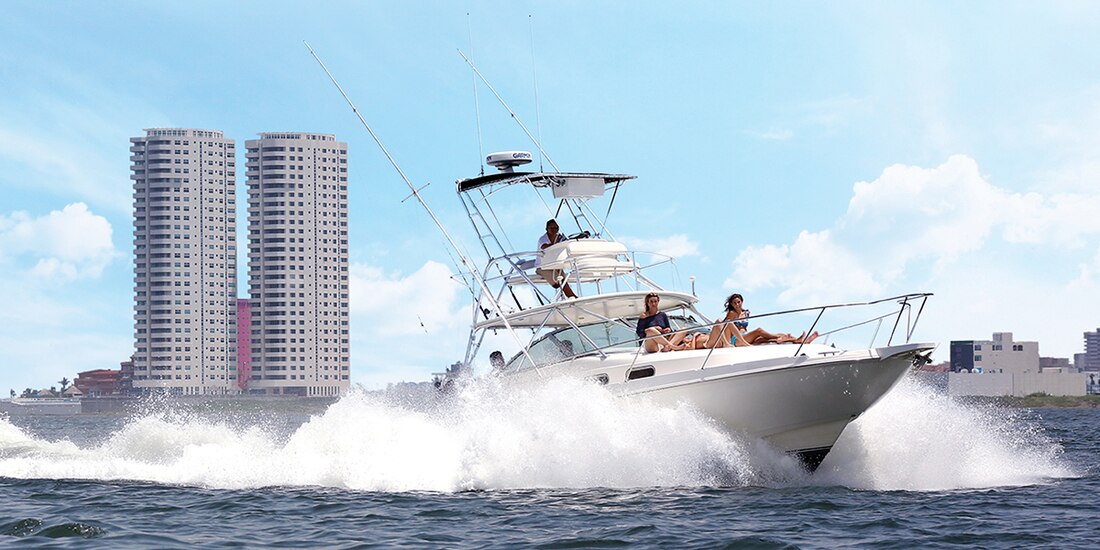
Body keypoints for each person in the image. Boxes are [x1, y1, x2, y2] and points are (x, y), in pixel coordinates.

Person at [535, 219, 577, 299]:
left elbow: (567, 242)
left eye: (556, 228)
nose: (554, 230)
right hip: (542, 267)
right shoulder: (543, 239)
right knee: (558, 282)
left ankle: (571, 297)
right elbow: (544, 247)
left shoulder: (560, 237)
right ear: (546, 229)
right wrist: (557, 244)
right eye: (551, 228)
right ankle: (572, 296)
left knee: (563, 280)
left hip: (555, 265)